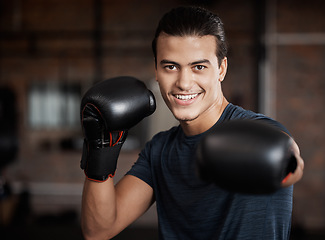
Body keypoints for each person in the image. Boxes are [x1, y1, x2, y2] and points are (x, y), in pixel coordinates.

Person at [81, 6, 304, 240]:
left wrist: (283, 163)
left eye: (199, 67)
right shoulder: (159, 151)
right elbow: (99, 230)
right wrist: (101, 151)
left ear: (221, 69)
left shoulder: (261, 131)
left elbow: (292, 164)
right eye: (171, 67)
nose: (184, 83)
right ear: (156, 71)